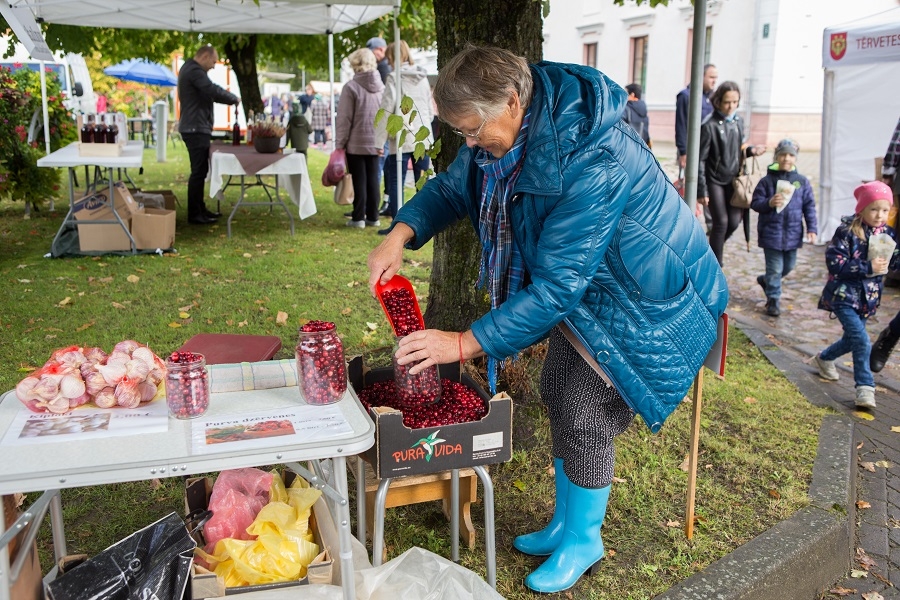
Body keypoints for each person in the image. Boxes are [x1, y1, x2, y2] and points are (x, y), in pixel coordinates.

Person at [366, 44, 728, 593]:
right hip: (590, 287)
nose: (469, 144)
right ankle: (566, 521)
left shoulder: (590, 159)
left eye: (472, 130)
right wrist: (401, 232)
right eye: (460, 132)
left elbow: (557, 288)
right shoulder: (505, 134)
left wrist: (461, 343)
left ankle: (585, 537)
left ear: (513, 103)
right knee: (559, 386)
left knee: (583, 407)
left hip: (642, 298)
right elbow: (455, 186)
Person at [815, 181, 899, 409]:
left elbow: (895, 260)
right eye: (874, 209)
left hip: (868, 299)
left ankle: (824, 358)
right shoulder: (846, 232)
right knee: (861, 340)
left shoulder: (888, 234)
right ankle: (865, 388)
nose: (880, 215)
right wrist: (868, 266)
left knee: (851, 340)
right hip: (843, 296)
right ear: (861, 209)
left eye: (885, 210)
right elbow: (835, 264)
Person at [696, 81, 766, 266]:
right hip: (714, 179)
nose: (731, 106)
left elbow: (737, 149)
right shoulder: (709, 125)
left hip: (734, 179)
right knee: (721, 222)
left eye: (735, 102)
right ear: (718, 101)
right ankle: (715, 265)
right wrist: (702, 190)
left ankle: (708, 251)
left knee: (734, 222)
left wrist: (752, 151)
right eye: (727, 102)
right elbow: (700, 159)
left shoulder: (738, 121)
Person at [750, 139, 818, 317]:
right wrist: (769, 202)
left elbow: (809, 206)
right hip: (771, 233)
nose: (786, 158)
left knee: (788, 266)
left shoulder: (801, 182)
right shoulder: (766, 181)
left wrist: (812, 228)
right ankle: (773, 300)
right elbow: (755, 203)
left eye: (790, 155)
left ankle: (766, 280)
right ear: (776, 156)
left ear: (795, 158)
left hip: (793, 234)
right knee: (775, 268)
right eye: (783, 154)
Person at [374, 40, 434, 229]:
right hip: (422, 136)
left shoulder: (394, 78)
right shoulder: (422, 77)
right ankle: (423, 223)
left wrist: (379, 142)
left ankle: (398, 227)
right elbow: (429, 109)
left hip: (402, 137)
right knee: (422, 182)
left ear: (392, 57)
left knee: (396, 182)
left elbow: (386, 110)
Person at [177, 45, 240, 225]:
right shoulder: (194, 71)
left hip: (195, 126)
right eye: (213, 61)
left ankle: (200, 209)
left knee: (201, 170)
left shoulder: (190, 69)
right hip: (195, 128)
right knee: (198, 172)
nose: (213, 66)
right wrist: (233, 98)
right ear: (204, 56)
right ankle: (195, 214)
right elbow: (211, 89)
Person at [335, 48, 384, 228]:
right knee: (373, 180)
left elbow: (344, 118)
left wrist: (340, 143)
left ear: (355, 63)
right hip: (375, 142)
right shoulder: (382, 87)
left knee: (359, 181)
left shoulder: (351, 87)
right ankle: (373, 216)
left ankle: (358, 218)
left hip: (355, 143)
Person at [675, 64, 717, 170]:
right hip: (692, 150)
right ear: (701, 77)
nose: (714, 81)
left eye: (716, 78)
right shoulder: (686, 96)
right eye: (711, 77)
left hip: (708, 151)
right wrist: (683, 151)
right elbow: (681, 125)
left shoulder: (713, 97)